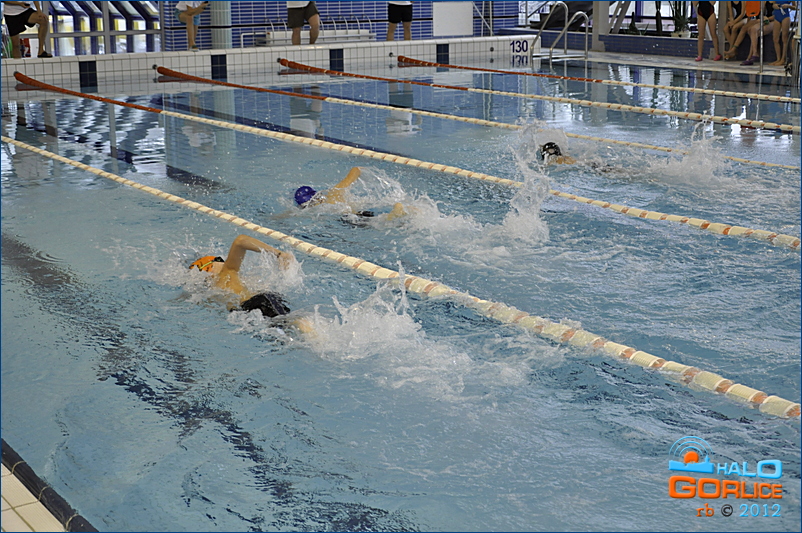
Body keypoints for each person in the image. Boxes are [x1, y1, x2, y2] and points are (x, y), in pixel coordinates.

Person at [189, 234, 314, 332]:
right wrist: (279, 254)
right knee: (295, 324)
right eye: (218, 260)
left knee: (291, 327)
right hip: (261, 302)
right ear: (210, 268)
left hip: (253, 308)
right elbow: (240, 240)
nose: (223, 262)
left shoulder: (214, 292)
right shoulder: (226, 274)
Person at [294, 166, 411, 221]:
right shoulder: (335, 192)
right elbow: (356, 170)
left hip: (352, 219)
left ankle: (393, 215)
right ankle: (400, 210)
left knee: (382, 222)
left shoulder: (317, 211)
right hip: (360, 211)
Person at [769, 2, 796, 66]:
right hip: (777, 16)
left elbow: (795, 7)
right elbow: (771, 3)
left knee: (784, 38)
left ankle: (783, 59)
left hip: (785, 17)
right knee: (775, 38)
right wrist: (774, 6)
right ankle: (778, 58)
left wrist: (788, 6)